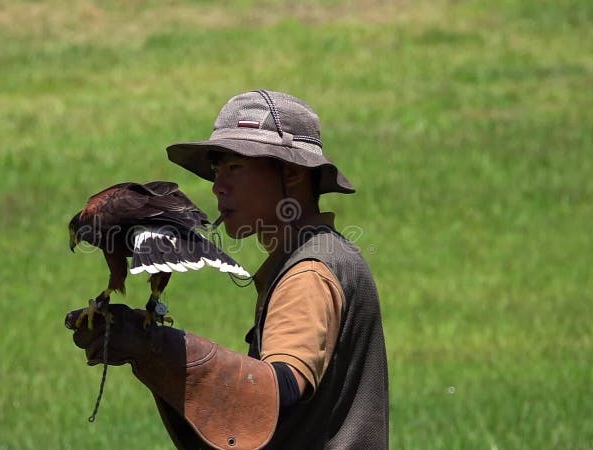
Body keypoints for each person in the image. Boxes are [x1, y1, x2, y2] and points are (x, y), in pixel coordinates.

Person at [67, 90, 388, 449]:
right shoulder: (316, 257)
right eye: (217, 170)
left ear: (293, 173)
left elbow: (278, 393)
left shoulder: (309, 273)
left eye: (235, 167)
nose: (218, 186)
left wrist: (160, 349)